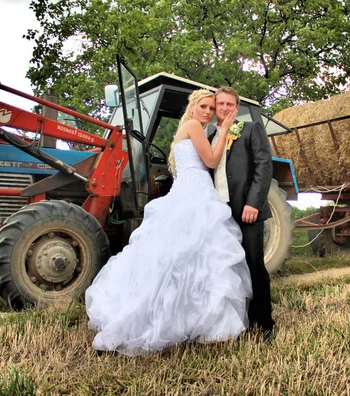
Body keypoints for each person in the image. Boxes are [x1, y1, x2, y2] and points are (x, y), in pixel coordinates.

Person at [85, 89, 252, 356]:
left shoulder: (190, 128)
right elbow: (210, 160)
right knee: (189, 256)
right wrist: (224, 131)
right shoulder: (194, 126)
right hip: (195, 192)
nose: (208, 112)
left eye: (212, 108)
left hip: (197, 190)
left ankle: (201, 319)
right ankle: (175, 317)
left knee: (200, 257)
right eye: (204, 107)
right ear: (193, 106)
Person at [208, 87, 275, 338]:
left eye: (229, 104)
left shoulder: (250, 130)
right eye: (220, 104)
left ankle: (264, 324)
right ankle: (237, 321)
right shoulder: (211, 135)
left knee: (253, 264)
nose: (224, 108)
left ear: (236, 107)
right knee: (228, 267)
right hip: (219, 213)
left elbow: (263, 167)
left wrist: (253, 203)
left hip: (246, 209)